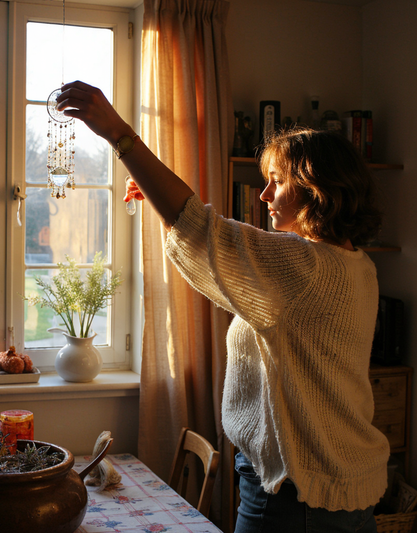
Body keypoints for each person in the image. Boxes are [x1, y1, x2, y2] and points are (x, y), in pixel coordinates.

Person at [57, 81, 389, 533]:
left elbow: (202, 228)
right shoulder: (355, 266)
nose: (264, 195)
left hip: (296, 498)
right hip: (339, 491)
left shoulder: (304, 266)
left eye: (277, 182)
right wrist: (163, 207)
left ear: (316, 188)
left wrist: (119, 133)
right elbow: (208, 241)